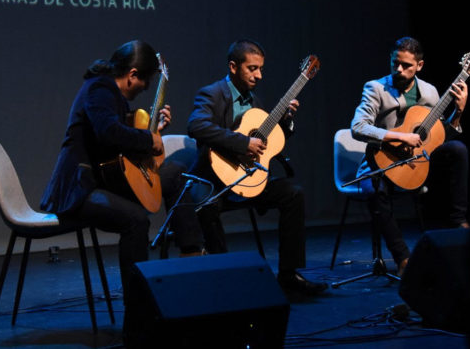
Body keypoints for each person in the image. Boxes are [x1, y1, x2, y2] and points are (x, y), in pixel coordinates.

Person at [40, 40, 204, 297]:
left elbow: (119, 149)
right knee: (135, 221)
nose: (145, 88)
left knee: (175, 172)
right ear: (132, 75)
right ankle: (137, 306)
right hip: (79, 187)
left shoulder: (111, 95)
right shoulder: (100, 89)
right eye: (145, 82)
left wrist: (155, 132)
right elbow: (108, 133)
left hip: (104, 179)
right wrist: (149, 139)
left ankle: (192, 253)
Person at [186, 39, 327, 295]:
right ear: (233, 66)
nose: (258, 75)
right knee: (206, 206)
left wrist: (285, 122)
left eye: (260, 69)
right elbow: (196, 126)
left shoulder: (256, 101)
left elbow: (266, 143)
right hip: (216, 180)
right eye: (252, 68)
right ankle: (222, 278)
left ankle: (288, 275)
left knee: (293, 194)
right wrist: (242, 142)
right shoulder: (213, 94)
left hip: (249, 178)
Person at [350, 37, 469, 275]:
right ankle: (403, 258)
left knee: (457, 150)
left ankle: (458, 221)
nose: (399, 70)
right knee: (374, 189)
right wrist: (401, 137)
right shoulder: (375, 88)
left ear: (420, 66)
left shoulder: (430, 92)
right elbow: (357, 127)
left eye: (406, 66)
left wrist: (458, 112)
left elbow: (439, 135)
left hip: (418, 164)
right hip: (382, 163)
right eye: (395, 64)